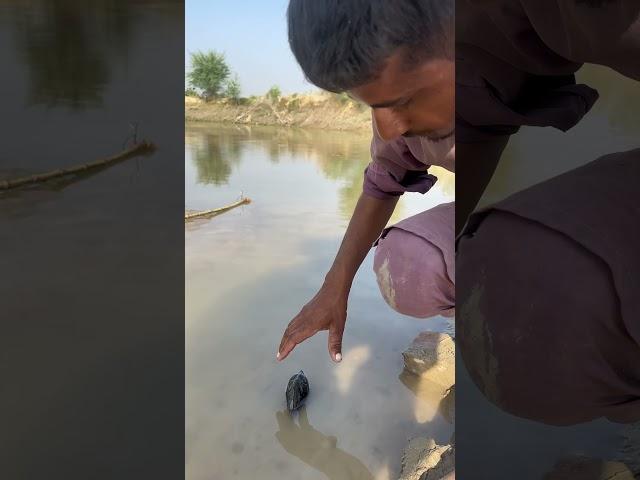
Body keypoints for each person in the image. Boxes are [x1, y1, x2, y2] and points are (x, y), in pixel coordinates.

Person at [277, 0, 455, 363]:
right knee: (410, 265)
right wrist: (334, 287)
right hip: (501, 207)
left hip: (572, 195)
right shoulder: (402, 121)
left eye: (402, 100)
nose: (388, 128)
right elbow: (383, 183)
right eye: (368, 105)